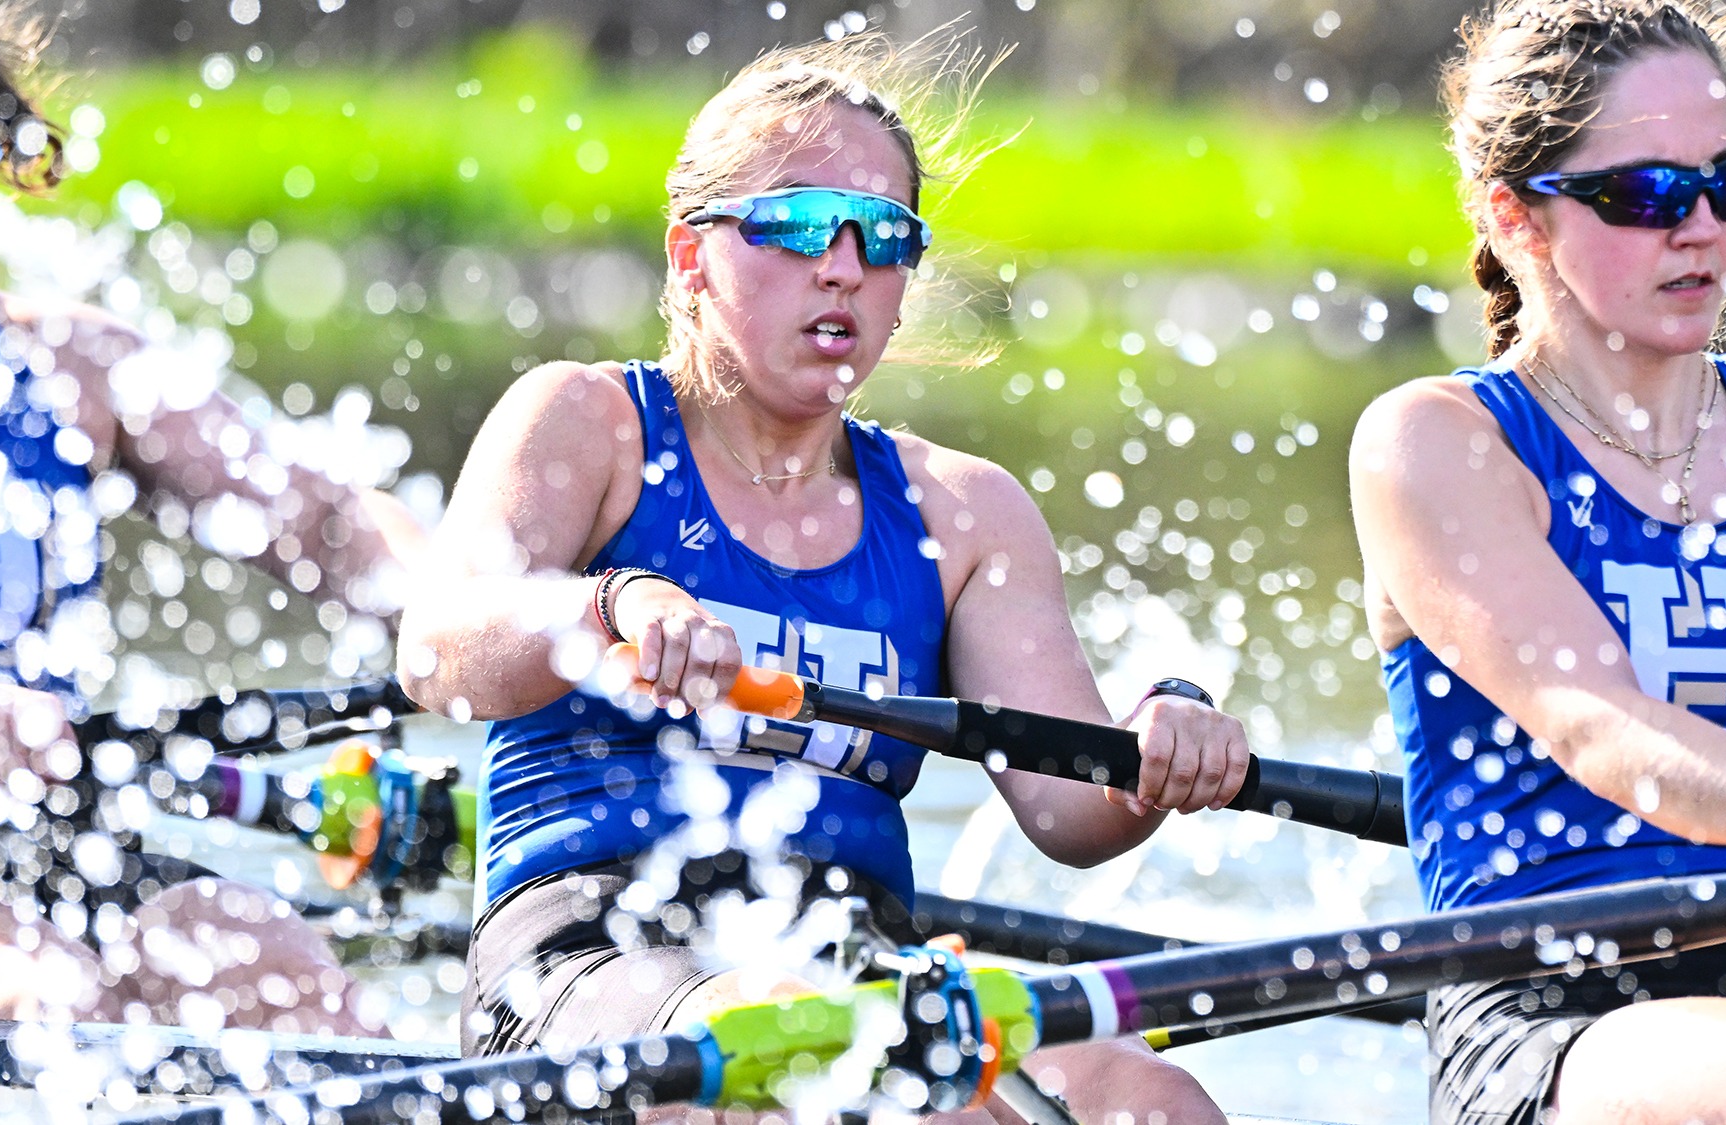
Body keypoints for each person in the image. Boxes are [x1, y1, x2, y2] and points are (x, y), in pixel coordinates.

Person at [399, 31, 1249, 1125]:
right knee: (808, 1055)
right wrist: (611, 606)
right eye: (797, 225)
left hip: (848, 955)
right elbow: (435, 653)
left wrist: (1165, 739)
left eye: (882, 236)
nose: (842, 263)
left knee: (1155, 1098)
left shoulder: (963, 514)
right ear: (689, 255)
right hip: (589, 950)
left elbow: (1069, 807)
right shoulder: (589, 427)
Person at [0, 0, 423, 1034]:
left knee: (282, 978)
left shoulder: (68, 365)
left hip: (42, 828)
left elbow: (327, 523)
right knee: (46, 997)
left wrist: (475, 613)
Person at [1349, 2, 1726, 1122]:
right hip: (1556, 1009)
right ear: (1517, 217)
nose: (1695, 227)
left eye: (1724, 184)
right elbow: (1604, 732)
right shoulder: (1441, 443)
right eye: (1643, 195)